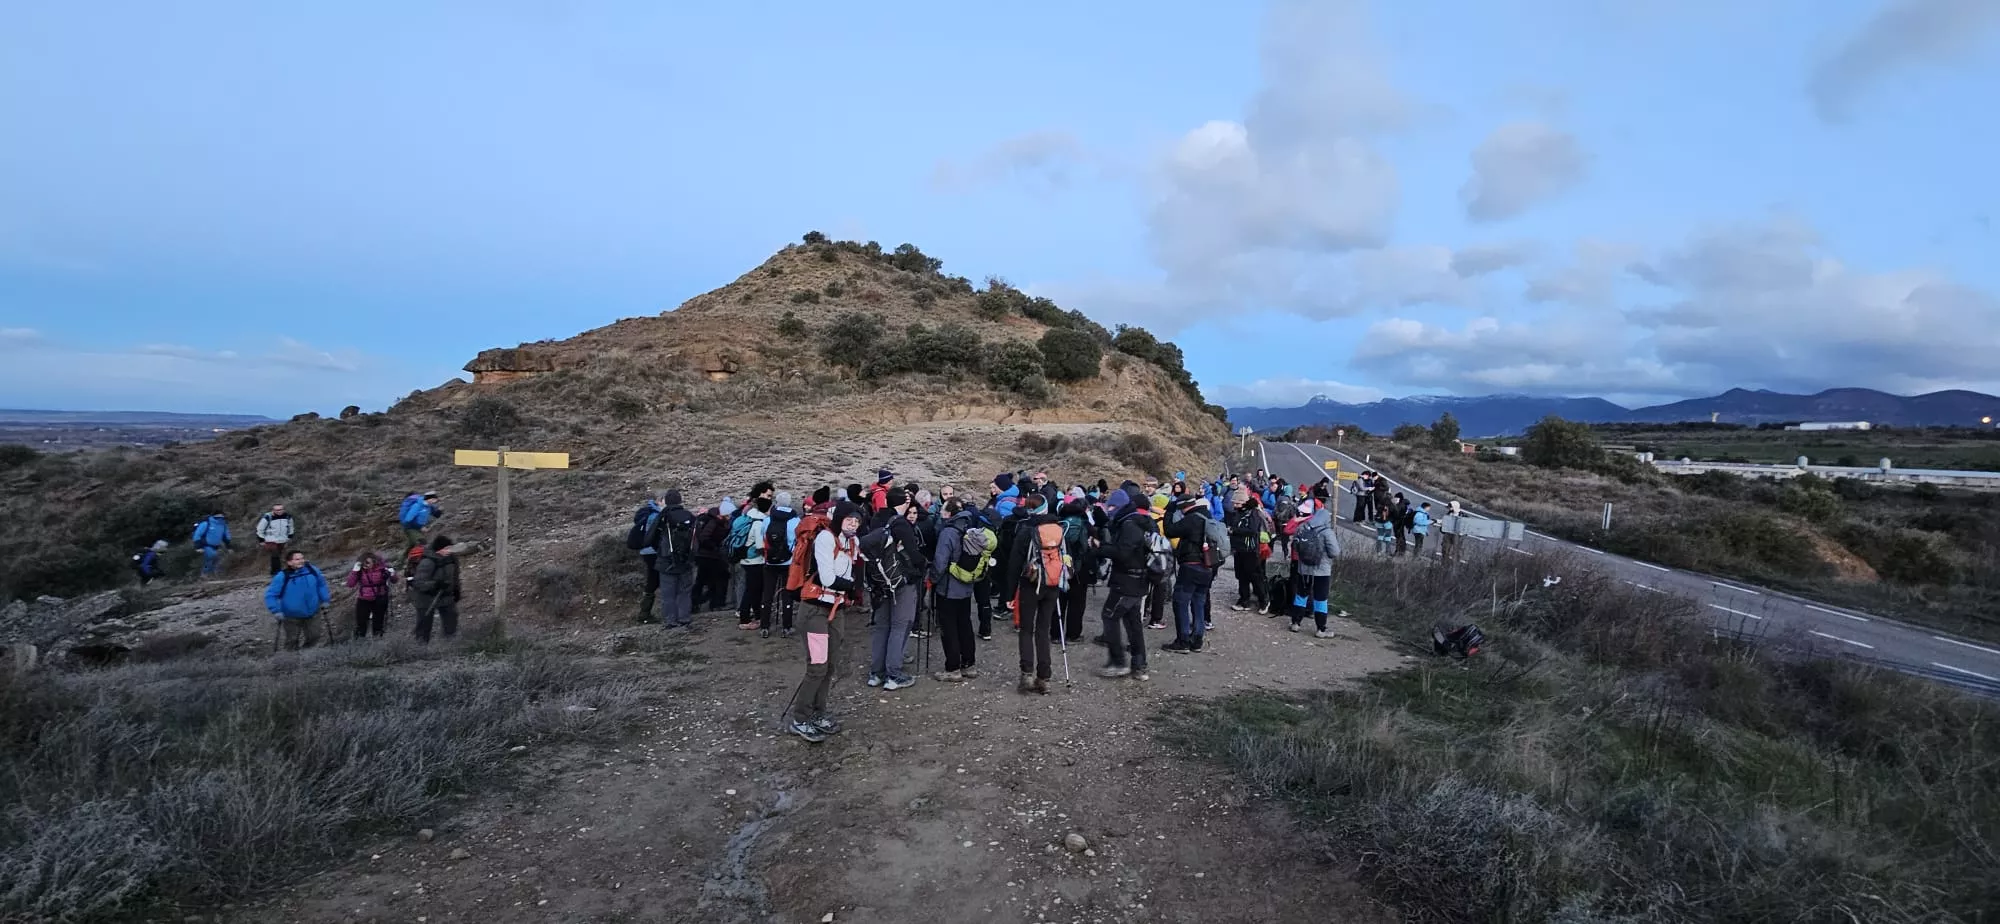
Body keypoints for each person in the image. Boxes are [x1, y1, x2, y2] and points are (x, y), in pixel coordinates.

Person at [788, 504, 862, 743]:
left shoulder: (853, 543)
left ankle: (818, 714)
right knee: (818, 666)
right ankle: (800, 718)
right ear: (840, 519)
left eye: (857, 521)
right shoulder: (825, 539)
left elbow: (845, 576)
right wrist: (853, 586)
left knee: (829, 666)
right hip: (815, 611)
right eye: (850, 519)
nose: (853, 524)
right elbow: (829, 578)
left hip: (835, 609)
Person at [1000, 492, 1064, 694]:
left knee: (1026, 629)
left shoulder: (1026, 530)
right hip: (1052, 584)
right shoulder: (1058, 528)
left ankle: (1026, 675)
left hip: (1030, 583)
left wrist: (1009, 594)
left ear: (1028, 509)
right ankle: (1044, 677)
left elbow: (1014, 564)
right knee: (1043, 630)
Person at [864, 488, 923, 691]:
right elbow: (914, 555)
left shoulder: (876, 519)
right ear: (904, 502)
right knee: (900, 625)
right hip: (901, 581)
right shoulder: (901, 523)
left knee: (882, 626)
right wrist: (924, 566)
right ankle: (894, 674)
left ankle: (876, 673)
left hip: (879, 581)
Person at [1096, 489, 1152, 680]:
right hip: (1139, 580)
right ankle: (1139, 665)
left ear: (1119, 507)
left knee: (1109, 616)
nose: (1109, 510)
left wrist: (1100, 548)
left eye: (1112, 506)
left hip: (1127, 580)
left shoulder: (1129, 525)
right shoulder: (1138, 521)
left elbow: (1123, 554)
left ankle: (1118, 662)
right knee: (1133, 622)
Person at [930, 498, 987, 682]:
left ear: (948, 513)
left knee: (949, 627)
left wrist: (932, 579)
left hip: (948, 588)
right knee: (965, 624)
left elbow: (940, 562)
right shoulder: (969, 527)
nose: (941, 514)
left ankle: (952, 668)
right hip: (965, 586)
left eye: (943, 511)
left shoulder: (948, 532)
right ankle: (969, 664)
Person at [1163, 496, 1215, 653]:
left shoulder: (1191, 519)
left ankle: (1183, 641)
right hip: (1208, 566)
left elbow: (1170, 531)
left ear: (1183, 507)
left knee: (1181, 601)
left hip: (1191, 565)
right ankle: (1197, 639)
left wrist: (1169, 512)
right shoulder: (1208, 517)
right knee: (1199, 602)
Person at [1288, 504, 1342, 638]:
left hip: (1304, 569)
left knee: (1301, 595)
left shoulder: (1302, 527)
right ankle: (1321, 629)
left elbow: (1295, 546)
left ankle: (1295, 623)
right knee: (1320, 599)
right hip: (1322, 571)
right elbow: (1335, 552)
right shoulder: (1327, 532)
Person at [649, 491, 698, 629]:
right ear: (680, 500)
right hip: (686, 561)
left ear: (666, 501)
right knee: (685, 592)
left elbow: (650, 537)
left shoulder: (663, 516)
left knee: (668, 594)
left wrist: (659, 550)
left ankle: (671, 621)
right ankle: (684, 618)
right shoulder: (689, 516)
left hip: (666, 561)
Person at [265, 549, 331, 650]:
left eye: (302, 558)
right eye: (297, 559)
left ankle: (307, 655)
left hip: (313, 612)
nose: (301, 561)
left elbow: (321, 585)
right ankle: (290, 660)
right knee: (292, 640)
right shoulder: (282, 576)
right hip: (291, 616)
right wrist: (276, 610)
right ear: (289, 562)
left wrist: (325, 600)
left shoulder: (312, 571)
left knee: (315, 636)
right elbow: (271, 595)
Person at [409, 535, 463, 643]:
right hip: (426, 598)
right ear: (439, 548)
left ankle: (450, 645)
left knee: (451, 620)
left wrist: (456, 589)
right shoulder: (427, 562)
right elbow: (418, 582)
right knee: (424, 625)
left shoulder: (452, 559)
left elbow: (455, 576)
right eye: (446, 548)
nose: (449, 550)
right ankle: (420, 649)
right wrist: (436, 584)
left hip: (446, 595)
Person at [763, 491, 800, 638]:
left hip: (769, 561)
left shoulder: (767, 519)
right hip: (788, 561)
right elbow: (798, 540)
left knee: (768, 593)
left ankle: (765, 626)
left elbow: (763, 537)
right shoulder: (795, 520)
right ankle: (786, 626)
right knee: (787, 593)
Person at [736, 494, 773, 630]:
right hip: (754, 561)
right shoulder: (758, 523)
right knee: (753, 591)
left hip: (746, 559)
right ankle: (745, 619)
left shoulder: (748, 518)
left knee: (752, 589)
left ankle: (757, 616)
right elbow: (759, 546)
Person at [691, 498, 734, 613]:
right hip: (710, 555)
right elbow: (704, 537)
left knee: (703, 581)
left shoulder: (712, 519)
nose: (730, 517)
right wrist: (715, 547)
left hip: (704, 555)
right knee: (719, 579)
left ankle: (695, 604)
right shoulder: (714, 522)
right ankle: (715, 604)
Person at [1228, 496, 1269, 612]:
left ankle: (1264, 600)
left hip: (1250, 549)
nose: (1234, 505)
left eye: (1236, 503)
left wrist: (1234, 531)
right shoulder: (1238, 513)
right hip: (1239, 548)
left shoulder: (1254, 514)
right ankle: (1244, 600)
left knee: (1255, 576)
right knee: (1241, 576)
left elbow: (1252, 530)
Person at [630, 490, 666, 624]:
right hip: (654, 551)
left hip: (646, 552)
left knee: (653, 580)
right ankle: (648, 613)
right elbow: (656, 536)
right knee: (659, 579)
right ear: (659, 500)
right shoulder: (655, 515)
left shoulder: (647, 513)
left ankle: (645, 613)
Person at [345, 551, 396, 639]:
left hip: (380, 598)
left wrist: (392, 574)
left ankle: (377, 643)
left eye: (368, 562)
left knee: (378, 624)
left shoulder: (383, 569)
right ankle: (359, 644)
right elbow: (350, 584)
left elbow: (394, 581)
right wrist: (354, 571)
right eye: (363, 562)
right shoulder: (360, 571)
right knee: (361, 624)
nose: (365, 565)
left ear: (374, 561)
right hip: (364, 599)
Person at [255, 503, 296, 576]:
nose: (278, 511)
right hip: (270, 540)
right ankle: (277, 572)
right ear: (273, 510)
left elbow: (291, 527)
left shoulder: (288, 517)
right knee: (275, 554)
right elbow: (259, 529)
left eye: (280, 509)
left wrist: (290, 537)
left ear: (283, 510)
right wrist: (261, 540)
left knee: (281, 555)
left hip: (283, 539)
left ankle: (284, 571)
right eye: (276, 510)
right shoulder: (268, 517)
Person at [191, 511, 232, 578]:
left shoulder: (223, 525)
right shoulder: (206, 523)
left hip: (216, 546)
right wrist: (198, 547)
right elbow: (197, 535)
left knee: (218, 558)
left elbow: (226, 537)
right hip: (206, 545)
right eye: (219, 517)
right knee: (212, 556)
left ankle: (213, 575)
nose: (221, 519)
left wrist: (229, 547)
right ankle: (205, 574)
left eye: (222, 518)